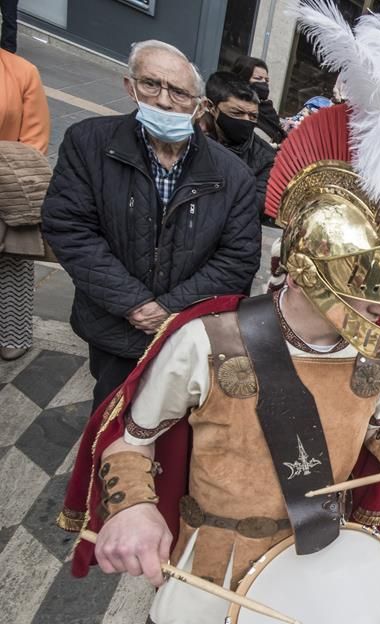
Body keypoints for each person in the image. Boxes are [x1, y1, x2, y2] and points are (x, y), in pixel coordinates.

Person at [54, 3, 380, 624]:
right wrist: (129, 506)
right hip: (215, 535)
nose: (377, 306)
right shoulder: (207, 336)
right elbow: (131, 436)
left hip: (310, 541)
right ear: (310, 267)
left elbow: (379, 433)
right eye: (363, 285)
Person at [42, 40, 261, 410]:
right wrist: (134, 303)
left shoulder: (233, 174)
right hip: (113, 324)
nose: (163, 100)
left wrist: (170, 309)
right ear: (130, 87)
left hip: (188, 331)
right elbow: (69, 227)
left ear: (199, 105)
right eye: (151, 84)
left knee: (176, 423)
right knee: (111, 418)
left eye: (178, 91)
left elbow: (238, 258)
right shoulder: (89, 143)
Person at [0, 44, 51, 361]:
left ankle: (12, 332)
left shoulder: (22, 71)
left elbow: (34, 146)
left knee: (12, 264)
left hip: (8, 190)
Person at [202, 71, 275, 217]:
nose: (246, 120)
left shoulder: (265, 157)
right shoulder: (189, 140)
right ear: (211, 107)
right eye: (236, 113)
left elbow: (254, 205)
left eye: (253, 116)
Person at [230, 55, 285, 144]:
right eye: (258, 78)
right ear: (243, 79)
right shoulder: (235, 109)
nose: (263, 82)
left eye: (266, 80)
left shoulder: (268, 110)